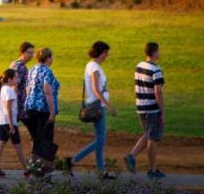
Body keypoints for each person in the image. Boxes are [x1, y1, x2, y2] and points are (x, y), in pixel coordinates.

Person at [71, 41, 117, 179]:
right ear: (101, 53)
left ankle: (101, 171)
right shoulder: (94, 68)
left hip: (96, 105)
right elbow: (97, 90)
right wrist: (108, 105)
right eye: (106, 53)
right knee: (101, 141)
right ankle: (74, 160)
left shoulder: (92, 66)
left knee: (100, 140)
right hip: (98, 107)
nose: (107, 55)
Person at [124, 42, 166, 179]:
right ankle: (151, 170)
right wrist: (162, 111)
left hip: (141, 106)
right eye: (158, 51)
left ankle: (132, 157)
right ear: (154, 53)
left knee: (148, 134)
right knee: (152, 138)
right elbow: (158, 91)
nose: (160, 53)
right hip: (152, 108)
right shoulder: (156, 70)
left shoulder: (139, 66)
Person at [0, 69, 28, 178]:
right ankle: (26, 169)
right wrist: (11, 124)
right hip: (8, 122)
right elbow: (8, 109)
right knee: (18, 146)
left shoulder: (3, 89)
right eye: (16, 77)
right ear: (10, 79)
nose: (18, 79)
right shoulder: (9, 91)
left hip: (1, 121)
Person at [23, 47, 60, 161]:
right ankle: (44, 166)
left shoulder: (32, 69)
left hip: (30, 107)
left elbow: (27, 89)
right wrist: (52, 111)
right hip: (43, 108)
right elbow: (47, 91)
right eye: (51, 56)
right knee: (46, 138)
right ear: (48, 58)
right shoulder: (47, 71)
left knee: (36, 137)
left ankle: (33, 162)